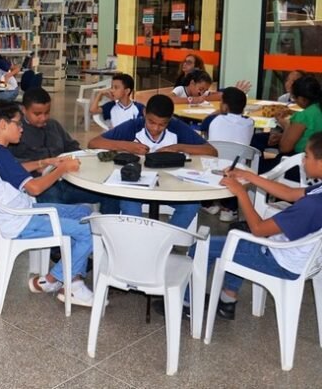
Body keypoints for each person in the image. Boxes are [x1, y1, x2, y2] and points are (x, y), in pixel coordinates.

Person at [0, 100, 94, 307]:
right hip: (20, 221)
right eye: (18, 123)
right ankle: (55, 280)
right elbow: (35, 189)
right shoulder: (0, 154)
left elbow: (15, 169)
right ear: (3, 124)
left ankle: (70, 277)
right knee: (88, 231)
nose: (21, 128)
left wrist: (45, 162)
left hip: (18, 212)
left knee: (84, 212)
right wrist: (62, 168)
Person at [203, 131, 322, 320]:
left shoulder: (313, 205)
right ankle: (227, 300)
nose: (303, 161)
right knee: (240, 231)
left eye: (307, 156)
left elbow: (258, 229)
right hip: (304, 259)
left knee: (203, 246)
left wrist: (241, 193)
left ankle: (187, 303)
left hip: (280, 261)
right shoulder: (319, 191)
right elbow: (290, 193)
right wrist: (248, 176)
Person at [88, 94, 217, 229]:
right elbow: (94, 143)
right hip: (135, 187)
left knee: (191, 205)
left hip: (171, 187)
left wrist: (178, 147)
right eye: (151, 122)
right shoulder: (133, 126)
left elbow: (212, 151)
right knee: (130, 205)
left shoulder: (176, 127)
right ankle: (137, 242)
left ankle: (164, 244)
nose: (155, 128)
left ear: (170, 119)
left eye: (162, 124)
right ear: (144, 113)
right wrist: (127, 145)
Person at [11, 88, 120, 213]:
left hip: (67, 180)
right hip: (40, 186)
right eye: (37, 114)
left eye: (47, 113)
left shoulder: (54, 125)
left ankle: (106, 229)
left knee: (110, 194)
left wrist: (75, 158)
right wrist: (38, 166)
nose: (43, 118)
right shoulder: (16, 133)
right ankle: (73, 226)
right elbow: (12, 165)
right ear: (24, 110)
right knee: (64, 212)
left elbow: (72, 147)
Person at [201, 87, 255, 222]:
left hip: (213, 165)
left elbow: (203, 125)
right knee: (232, 166)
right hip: (237, 168)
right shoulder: (250, 122)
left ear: (224, 105)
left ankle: (208, 204)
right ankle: (229, 209)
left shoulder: (213, 120)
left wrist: (220, 111)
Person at [276, 75, 322, 156]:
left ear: (301, 99)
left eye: (294, 97)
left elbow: (284, 148)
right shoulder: (318, 108)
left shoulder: (303, 116)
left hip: (300, 159)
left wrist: (287, 126)